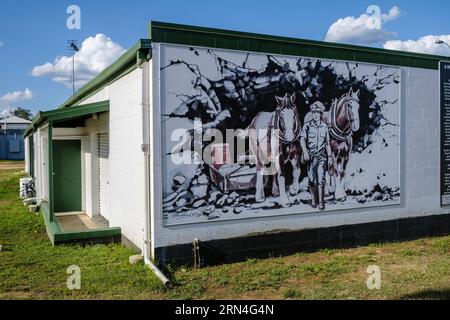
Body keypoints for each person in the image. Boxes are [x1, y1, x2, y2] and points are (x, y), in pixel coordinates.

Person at [300, 101, 332, 210]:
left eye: (318, 112)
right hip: (311, 156)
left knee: (321, 179)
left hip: (322, 157)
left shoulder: (325, 127)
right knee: (311, 179)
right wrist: (305, 152)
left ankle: (321, 202)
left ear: (321, 114)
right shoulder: (307, 126)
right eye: (314, 112)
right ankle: (314, 199)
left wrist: (330, 157)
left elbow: (327, 143)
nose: (315, 114)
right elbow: (302, 140)